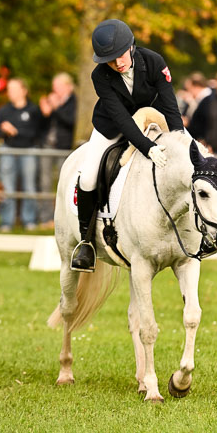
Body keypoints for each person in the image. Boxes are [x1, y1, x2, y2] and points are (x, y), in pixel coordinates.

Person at [71, 18, 185, 272]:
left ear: (131, 46)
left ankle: (193, 231)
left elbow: (169, 105)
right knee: (88, 177)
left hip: (152, 121)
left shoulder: (154, 61)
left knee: (187, 158)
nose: (117, 63)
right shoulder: (99, 75)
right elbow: (122, 119)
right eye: (110, 60)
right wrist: (147, 147)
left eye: (120, 56)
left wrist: (179, 137)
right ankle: (86, 243)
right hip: (111, 127)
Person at [0, 78, 43, 231]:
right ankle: (6, 222)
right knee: (7, 188)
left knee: (29, 187)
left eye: (14, 89)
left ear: (24, 90)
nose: (11, 93)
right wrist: (4, 131)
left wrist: (15, 131)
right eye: (9, 89)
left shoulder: (34, 110)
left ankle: (29, 220)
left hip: (29, 150)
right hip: (7, 150)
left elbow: (35, 132)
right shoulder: (4, 110)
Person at [38, 72, 77, 228]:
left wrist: (56, 108)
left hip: (63, 147)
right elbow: (40, 125)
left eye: (58, 87)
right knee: (44, 181)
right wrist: (44, 112)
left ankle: (65, 218)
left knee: (65, 183)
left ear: (67, 87)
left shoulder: (73, 101)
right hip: (47, 145)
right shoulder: (51, 100)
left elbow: (70, 122)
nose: (55, 90)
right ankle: (46, 217)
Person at [185, 72, 213, 141]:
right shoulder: (201, 99)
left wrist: (188, 123)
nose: (189, 92)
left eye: (189, 89)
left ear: (196, 86)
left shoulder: (207, 100)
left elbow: (203, 123)